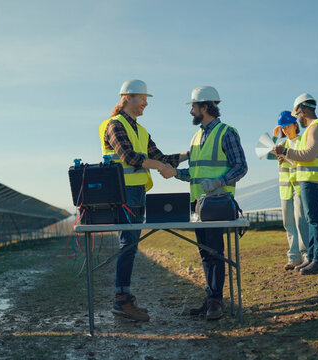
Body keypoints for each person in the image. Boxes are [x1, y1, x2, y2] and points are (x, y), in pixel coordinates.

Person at [100, 79, 183, 321]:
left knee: (131, 247)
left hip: (136, 194)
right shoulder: (114, 125)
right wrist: (159, 166)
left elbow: (162, 157)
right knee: (128, 246)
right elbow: (128, 156)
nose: (146, 103)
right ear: (127, 97)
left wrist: (190, 154)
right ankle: (121, 300)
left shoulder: (141, 131)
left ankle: (124, 298)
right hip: (121, 195)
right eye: (143, 98)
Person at [170, 86, 248, 320]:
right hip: (198, 205)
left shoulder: (227, 132)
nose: (190, 111)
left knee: (215, 253)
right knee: (205, 254)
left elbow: (241, 166)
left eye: (192, 107)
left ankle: (216, 302)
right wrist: (173, 172)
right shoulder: (196, 136)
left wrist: (218, 182)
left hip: (217, 204)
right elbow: (195, 172)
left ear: (204, 107)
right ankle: (210, 298)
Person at [274, 93, 318, 275]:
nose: (297, 117)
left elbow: (309, 155)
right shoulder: (311, 129)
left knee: (314, 221)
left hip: (312, 179)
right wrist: (286, 154)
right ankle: (314, 258)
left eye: (297, 114)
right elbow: (302, 157)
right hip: (308, 179)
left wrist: (286, 151)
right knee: (312, 219)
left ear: (302, 110)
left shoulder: (316, 128)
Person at [268, 111, 309, 270]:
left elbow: (304, 160)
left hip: (299, 186)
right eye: (283, 128)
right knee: (289, 223)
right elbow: (268, 154)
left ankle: (306, 255)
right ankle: (294, 258)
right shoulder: (282, 144)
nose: (285, 130)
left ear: (295, 125)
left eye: (287, 126)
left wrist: (286, 158)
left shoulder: (302, 141)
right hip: (285, 189)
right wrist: (274, 137)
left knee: (301, 222)